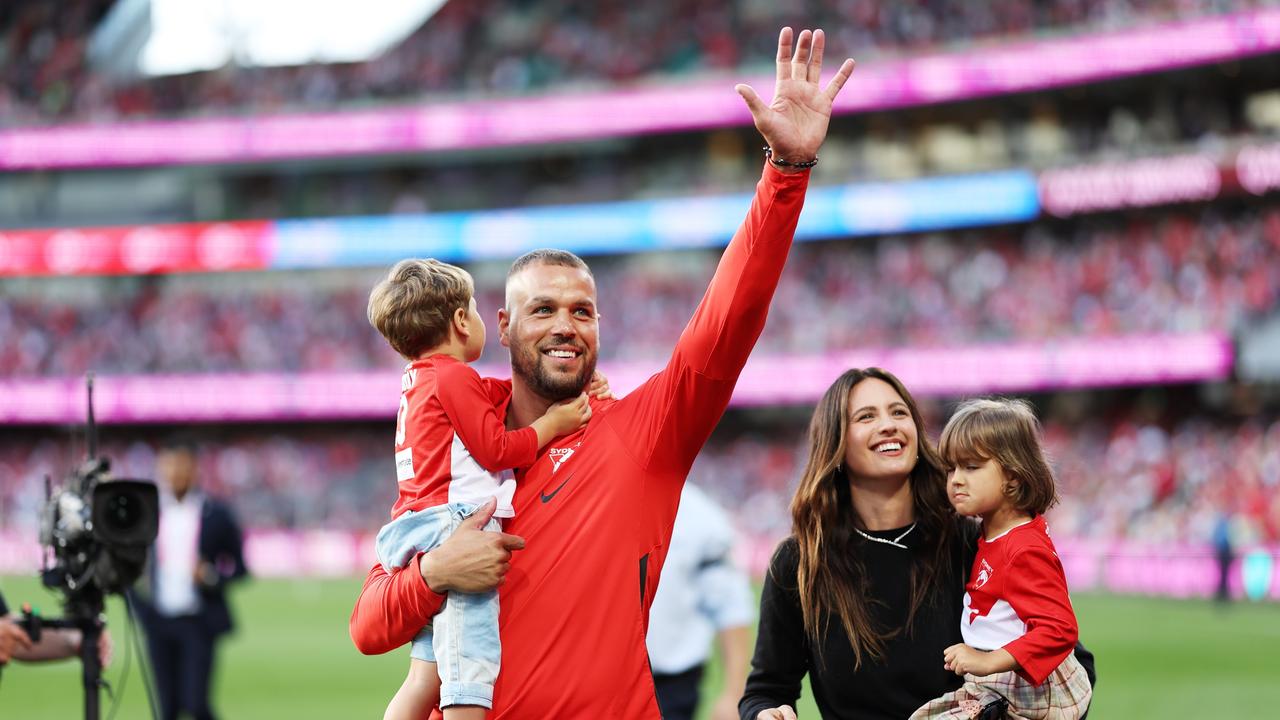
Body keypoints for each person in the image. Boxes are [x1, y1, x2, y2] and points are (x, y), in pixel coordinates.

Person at [348, 27, 857, 719]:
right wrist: (436, 573)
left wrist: (785, 173)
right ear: (501, 327)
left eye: (583, 310)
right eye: (543, 309)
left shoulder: (644, 433)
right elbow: (369, 627)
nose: (566, 324)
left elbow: (727, 321)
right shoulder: (459, 454)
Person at [740, 369, 1094, 720]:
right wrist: (766, 714)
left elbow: (1068, 659)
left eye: (899, 412)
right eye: (866, 416)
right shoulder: (800, 561)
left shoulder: (972, 542)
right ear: (836, 444)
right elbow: (766, 690)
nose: (889, 425)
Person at [365, 258, 592, 720]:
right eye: (476, 307)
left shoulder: (420, 377)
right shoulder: (453, 375)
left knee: (425, 676)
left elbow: (489, 399)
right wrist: (553, 423)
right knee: (470, 671)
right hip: (455, 526)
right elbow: (496, 448)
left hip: (416, 521)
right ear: (461, 320)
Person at [911, 399, 1091, 719]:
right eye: (950, 468)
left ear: (1013, 476)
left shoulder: (1023, 548)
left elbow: (1060, 629)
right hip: (992, 684)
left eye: (971, 467)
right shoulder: (992, 534)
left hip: (1020, 687)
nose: (955, 479)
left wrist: (987, 661)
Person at [130, 439, 247, 720]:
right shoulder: (148, 512)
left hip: (198, 621)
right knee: (165, 709)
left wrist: (211, 576)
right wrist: (142, 611)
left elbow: (241, 568)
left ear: (195, 469)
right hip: (159, 621)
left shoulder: (216, 514)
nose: (175, 473)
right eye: (169, 465)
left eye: (182, 465)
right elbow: (127, 568)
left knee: (196, 704)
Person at [646, 483, 755, 720]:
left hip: (669, 685)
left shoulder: (701, 518)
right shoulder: (589, 500)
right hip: (593, 679)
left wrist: (735, 692)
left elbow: (730, 607)